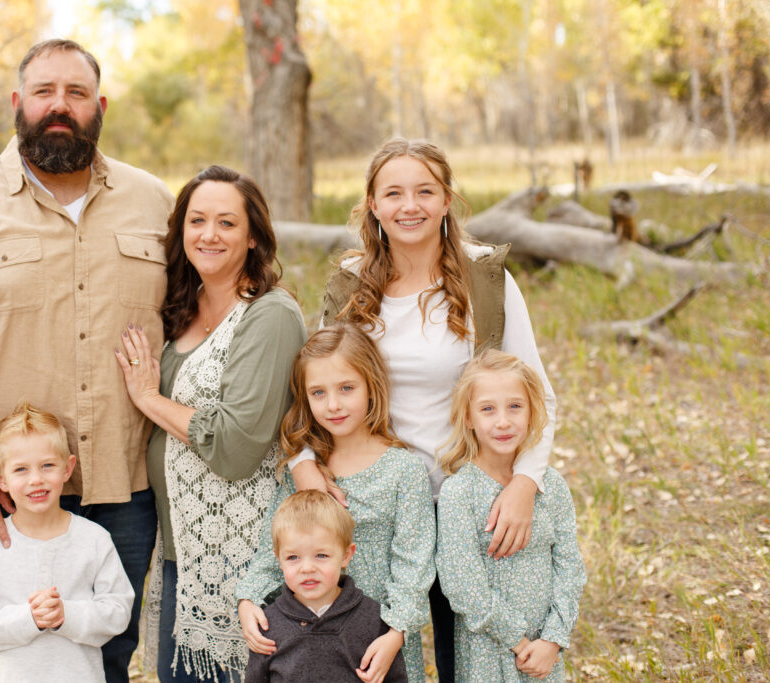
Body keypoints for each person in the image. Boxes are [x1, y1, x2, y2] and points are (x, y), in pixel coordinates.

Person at [0, 38, 174, 682]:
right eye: (45, 92)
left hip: (119, 487)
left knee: (101, 658)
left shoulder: (154, 203)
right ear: (18, 103)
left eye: (76, 94)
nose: (60, 106)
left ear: (99, 107)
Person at [288, 138, 557, 681]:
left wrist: (526, 483)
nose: (409, 206)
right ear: (372, 205)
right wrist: (303, 465)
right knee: (375, 656)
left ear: (446, 201)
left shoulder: (487, 280)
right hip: (379, 502)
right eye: (393, 193)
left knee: (481, 660)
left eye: (424, 191)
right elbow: (313, 387)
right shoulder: (350, 284)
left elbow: (537, 393)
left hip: (474, 502)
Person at [114, 165, 307, 682]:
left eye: (226, 222)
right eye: (197, 220)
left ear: (252, 237)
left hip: (243, 557)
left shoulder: (269, 317)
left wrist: (149, 399)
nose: (209, 234)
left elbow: (236, 446)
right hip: (179, 550)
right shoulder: (179, 308)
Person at [236, 323, 434, 683]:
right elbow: (274, 546)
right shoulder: (304, 471)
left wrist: (396, 633)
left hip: (378, 643)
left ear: (371, 386)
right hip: (309, 642)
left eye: (347, 388)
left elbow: (414, 564)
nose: (334, 405)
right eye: (318, 393)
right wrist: (248, 600)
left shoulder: (403, 470)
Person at [0, 403, 135, 683]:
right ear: (0, 479)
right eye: (21, 470)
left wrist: (66, 615)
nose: (36, 479)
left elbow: (118, 610)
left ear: (67, 468)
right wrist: (29, 619)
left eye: (47, 465)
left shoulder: (93, 539)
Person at [435, 351, 585, 681]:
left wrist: (551, 640)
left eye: (515, 406)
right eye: (488, 409)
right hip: (486, 653)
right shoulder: (458, 493)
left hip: (543, 655)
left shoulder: (550, 486)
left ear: (532, 413)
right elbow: (462, 584)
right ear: (469, 418)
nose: (503, 421)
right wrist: (518, 642)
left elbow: (569, 567)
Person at [243, 490, 407, 683]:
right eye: (293, 557)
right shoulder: (268, 625)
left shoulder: (373, 618)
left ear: (346, 555)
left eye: (321, 555)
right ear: (278, 558)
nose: (307, 568)